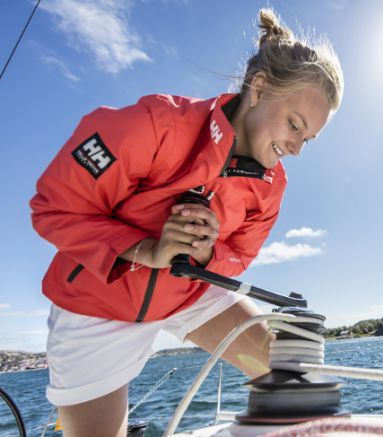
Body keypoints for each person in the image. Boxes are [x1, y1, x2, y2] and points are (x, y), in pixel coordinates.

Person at [29, 8, 343, 436]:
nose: (296, 148)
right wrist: (148, 251)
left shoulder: (272, 186)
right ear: (260, 87)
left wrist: (209, 253)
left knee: (295, 388)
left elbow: (241, 256)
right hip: (96, 304)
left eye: (307, 139)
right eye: (294, 125)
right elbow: (53, 207)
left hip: (188, 292)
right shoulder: (154, 125)